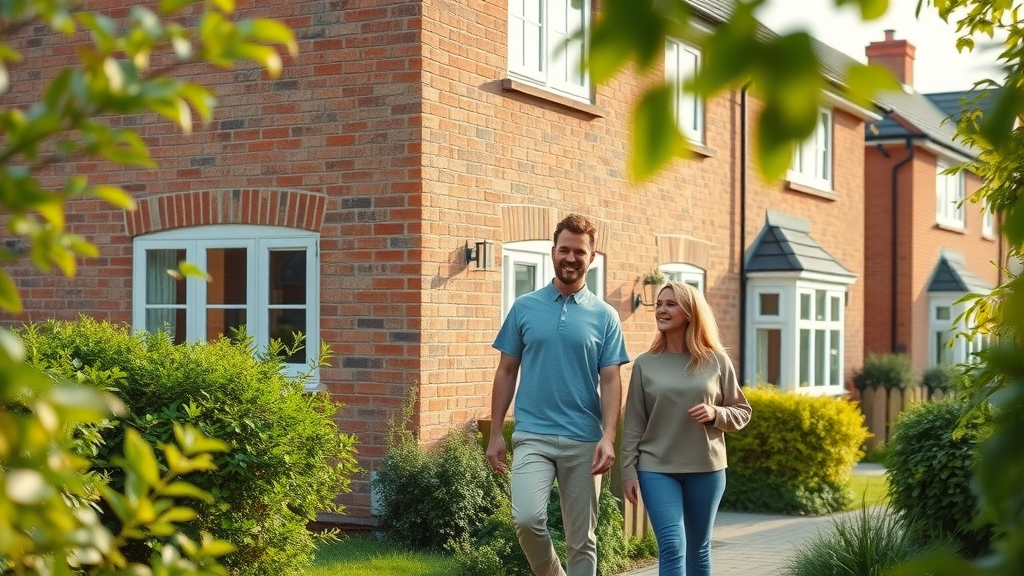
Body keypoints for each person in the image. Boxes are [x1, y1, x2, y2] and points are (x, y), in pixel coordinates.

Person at [486, 213, 630, 576]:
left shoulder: (606, 316)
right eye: (564, 249)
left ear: (591, 257)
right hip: (533, 434)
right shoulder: (524, 307)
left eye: (579, 252)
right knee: (527, 518)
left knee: (583, 539)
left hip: (584, 439)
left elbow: (611, 380)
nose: (570, 258)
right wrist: (496, 434)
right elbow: (506, 370)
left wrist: (608, 437)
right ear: (552, 252)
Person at [621, 281, 751, 576]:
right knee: (671, 545)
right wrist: (628, 471)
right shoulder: (645, 364)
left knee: (698, 549)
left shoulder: (716, 361)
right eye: (660, 304)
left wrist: (715, 412)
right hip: (657, 468)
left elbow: (742, 412)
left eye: (670, 304)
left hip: (706, 468)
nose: (661, 310)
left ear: (690, 313)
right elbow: (633, 424)